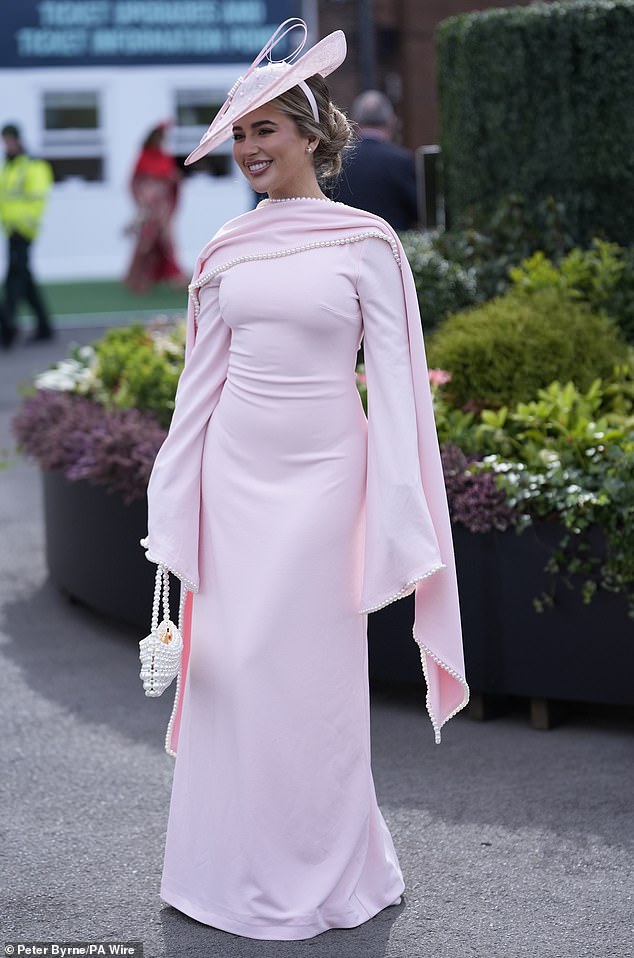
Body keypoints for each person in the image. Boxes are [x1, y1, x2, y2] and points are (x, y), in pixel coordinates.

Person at [142, 18, 468, 941]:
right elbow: (194, 393)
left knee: (309, 681)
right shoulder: (223, 252)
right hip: (234, 484)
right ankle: (221, 865)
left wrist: (404, 512)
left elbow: (403, 390)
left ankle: (328, 868)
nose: (248, 148)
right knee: (233, 675)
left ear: (313, 136)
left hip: (329, 481)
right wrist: (176, 503)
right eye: (238, 134)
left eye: (264, 130)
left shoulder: (368, 244)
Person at [0, 123, 54, 348]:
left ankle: (7, 326)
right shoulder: (10, 165)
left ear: (19, 140)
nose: (7, 145)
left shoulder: (33, 165)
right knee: (25, 279)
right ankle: (44, 326)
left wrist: (24, 223)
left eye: (10, 140)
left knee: (14, 279)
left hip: (24, 231)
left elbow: (37, 199)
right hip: (11, 229)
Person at [334, 90, 419, 231]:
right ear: (391, 122)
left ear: (355, 122)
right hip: (390, 244)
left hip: (347, 245)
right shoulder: (401, 161)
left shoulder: (338, 161)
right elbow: (418, 211)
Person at [123, 122, 187, 293]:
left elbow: (171, 178)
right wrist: (142, 203)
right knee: (146, 241)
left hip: (162, 208)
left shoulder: (165, 157)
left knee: (166, 241)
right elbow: (134, 182)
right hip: (149, 208)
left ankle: (175, 276)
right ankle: (137, 277)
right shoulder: (143, 157)